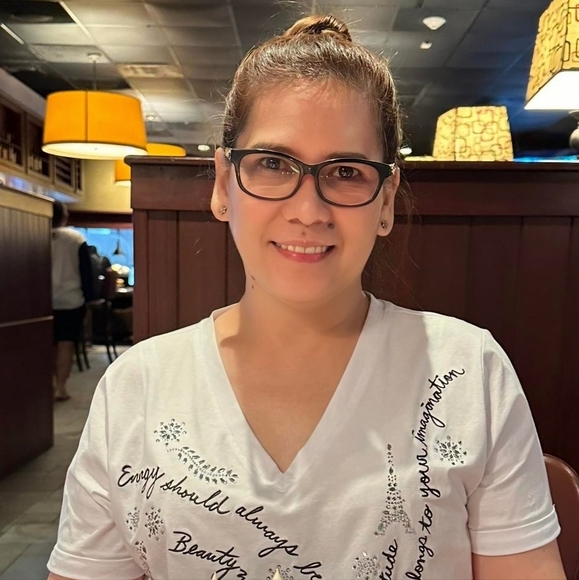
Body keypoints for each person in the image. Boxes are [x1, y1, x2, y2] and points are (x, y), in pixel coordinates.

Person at [46, 14, 565, 580]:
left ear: (386, 198)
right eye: (273, 163)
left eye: (346, 171)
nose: (308, 210)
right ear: (223, 184)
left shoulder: (470, 372)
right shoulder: (135, 388)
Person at [51, 201, 94, 401]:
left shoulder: (34, 233)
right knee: (65, 343)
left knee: (45, 344)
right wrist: (90, 300)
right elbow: (86, 273)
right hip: (70, 299)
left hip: (40, 301)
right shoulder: (76, 239)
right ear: (64, 216)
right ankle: (61, 387)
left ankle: (50, 384)